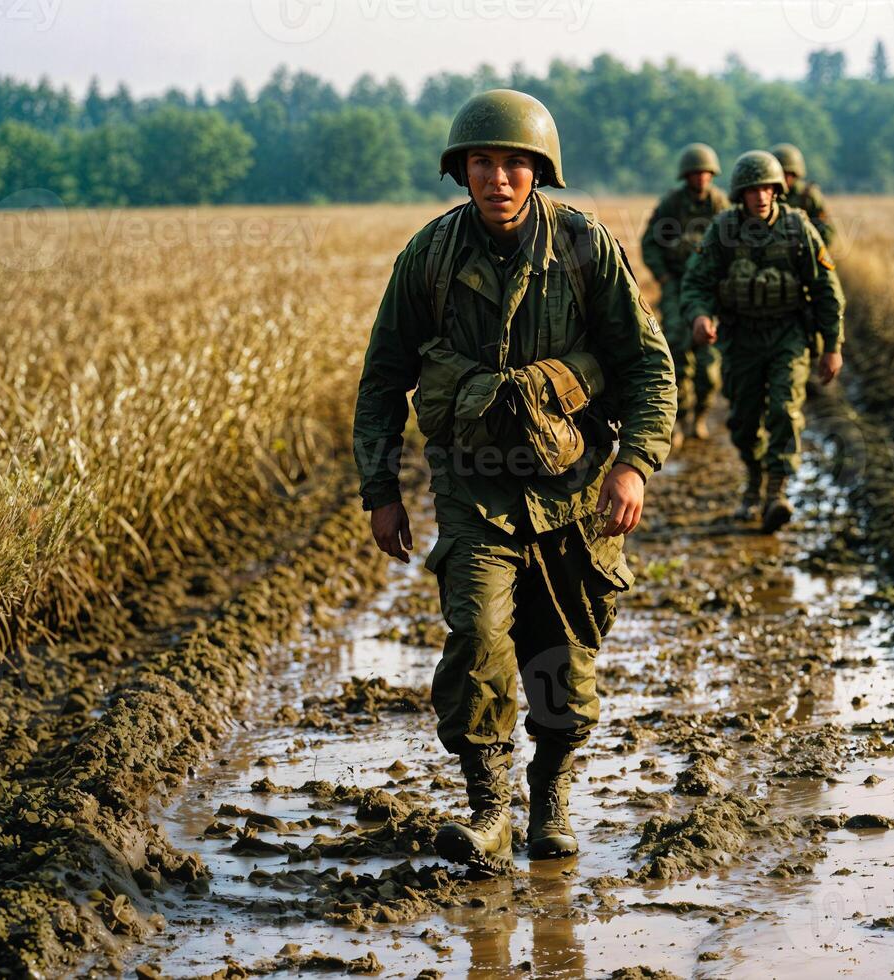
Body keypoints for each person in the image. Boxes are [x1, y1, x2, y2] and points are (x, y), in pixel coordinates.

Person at [353, 90, 676, 876]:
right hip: (471, 489)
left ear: (540, 172)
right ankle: (491, 807)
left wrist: (634, 463)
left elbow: (647, 365)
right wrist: (381, 488)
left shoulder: (584, 249)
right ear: (461, 171)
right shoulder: (428, 257)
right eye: (482, 162)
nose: (498, 178)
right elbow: (384, 376)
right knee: (479, 639)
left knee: (563, 652)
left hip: (571, 490)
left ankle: (552, 794)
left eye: (513, 164)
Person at [681, 150, 844, 533]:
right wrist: (700, 316)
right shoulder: (723, 229)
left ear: (777, 190)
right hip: (741, 338)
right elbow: (696, 282)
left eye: (767, 188)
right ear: (741, 193)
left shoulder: (798, 228)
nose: (761, 196)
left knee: (785, 410)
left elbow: (825, 290)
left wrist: (832, 346)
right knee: (743, 421)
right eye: (753, 189)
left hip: (788, 334)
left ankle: (776, 491)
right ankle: (754, 480)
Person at [640, 144, 731, 449]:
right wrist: (663, 277)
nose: (701, 178)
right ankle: (679, 420)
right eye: (695, 173)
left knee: (709, 366)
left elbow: (734, 244)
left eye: (706, 173)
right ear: (686, 176)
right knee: (677, 355)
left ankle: (701, 415)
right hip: (676, 287)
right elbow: (650, 242)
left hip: (708, 290)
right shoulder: (672, 204)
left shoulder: (720, 204)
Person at [770, 142, 834, 245]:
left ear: (796, 174)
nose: (783, 178)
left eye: (788, 174)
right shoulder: (767, 196)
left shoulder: (808, 195)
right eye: (780, 173)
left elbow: (826, 231)